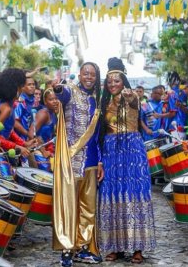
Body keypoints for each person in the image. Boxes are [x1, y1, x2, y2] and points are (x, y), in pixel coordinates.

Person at [97, 58, 156, 263]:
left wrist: (128, 91)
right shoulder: (103, 103)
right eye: (109, 82)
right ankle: (116, 246)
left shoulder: (131, 97)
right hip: (111, 152)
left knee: (134, 195)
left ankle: (138, 248)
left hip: (132, 150)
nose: (113, 85)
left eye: (117, 81)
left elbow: (132, 100)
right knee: (113, 196)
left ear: (124, 82)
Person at [53, 62, 103, 266]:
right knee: (69, 206)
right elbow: (60, 93)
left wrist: (100, 160)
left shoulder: (98, 100)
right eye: (85, 73)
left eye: (92, 74)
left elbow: (98, 134)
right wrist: (57, 88)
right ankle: (67, 248)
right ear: (80, 75)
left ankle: (83, 247)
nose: (89, 77)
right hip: (71, 160)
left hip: (91, 160)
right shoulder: (71, 91)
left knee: (88, 207)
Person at [30, 88, 59, 171]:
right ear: (45, 102)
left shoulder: (54, 113)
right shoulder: (43, 114)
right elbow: (31, 134)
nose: (54, 101)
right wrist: (43, 151)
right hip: (38, 150)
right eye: (51, 99)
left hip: (48, 150)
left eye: (56, 98)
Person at [14, 76, 36, 140]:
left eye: (33, 84)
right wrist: (28, 134)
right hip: (19, 139)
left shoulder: (32, 100)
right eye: (29, 85)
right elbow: (15, 122)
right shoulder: (20, 101)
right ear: (22, 87)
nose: (32, 86)